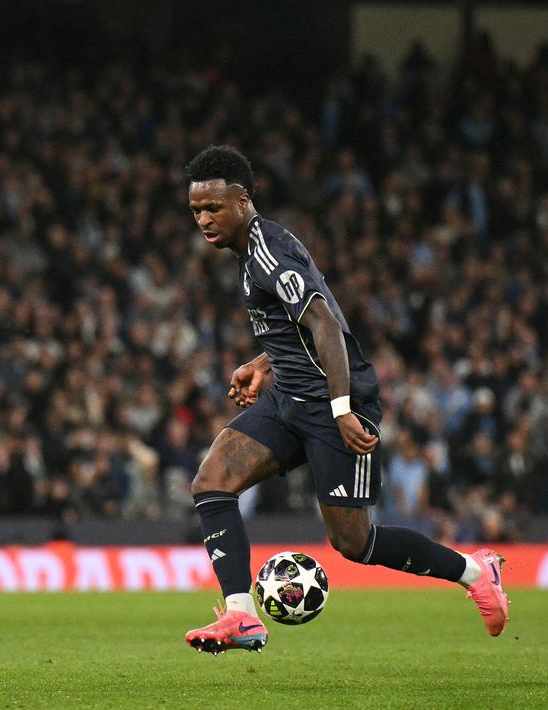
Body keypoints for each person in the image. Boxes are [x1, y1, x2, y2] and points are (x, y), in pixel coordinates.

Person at [180, 145, 509, 654]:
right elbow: (302, 322)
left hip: (335, 406)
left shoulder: (269, 250)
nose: (203, 219)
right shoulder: (250, 252)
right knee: (212, 483)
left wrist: (341, 408)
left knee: (354, 543)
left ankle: (475, 571)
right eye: (197, 210)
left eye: (213, 208)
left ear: (242, 201)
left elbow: (326, 325)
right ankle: (242, 617)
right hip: (290, 396)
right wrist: (264, 363)